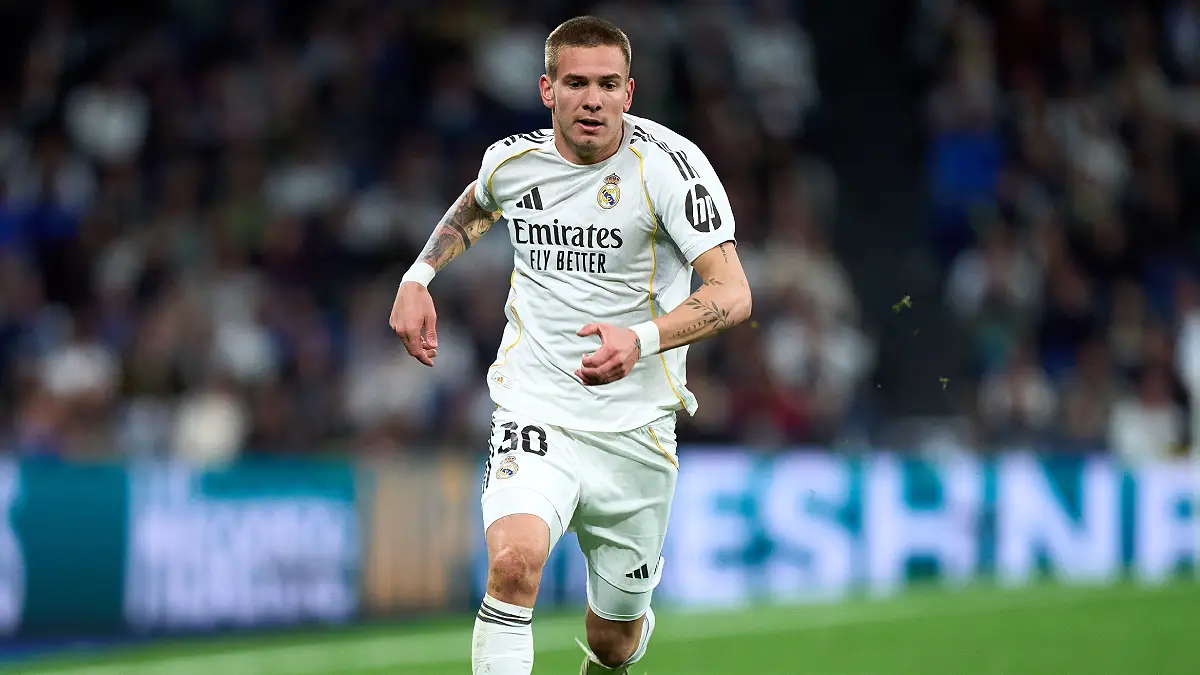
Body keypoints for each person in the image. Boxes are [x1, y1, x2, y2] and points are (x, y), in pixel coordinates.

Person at [389, 15, 752, 675]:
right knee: (513, 563)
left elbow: (732, 292)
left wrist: (640, 341)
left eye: (608, 84)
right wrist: (419, 276)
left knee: (611, 641)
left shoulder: (671, 169)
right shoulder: (513, 159)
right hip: (539, 408)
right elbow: (478, 202)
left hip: (636, 431)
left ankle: (618, 641)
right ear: (547, 89)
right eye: (577, 83)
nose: (593, 99)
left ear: (630, 92)